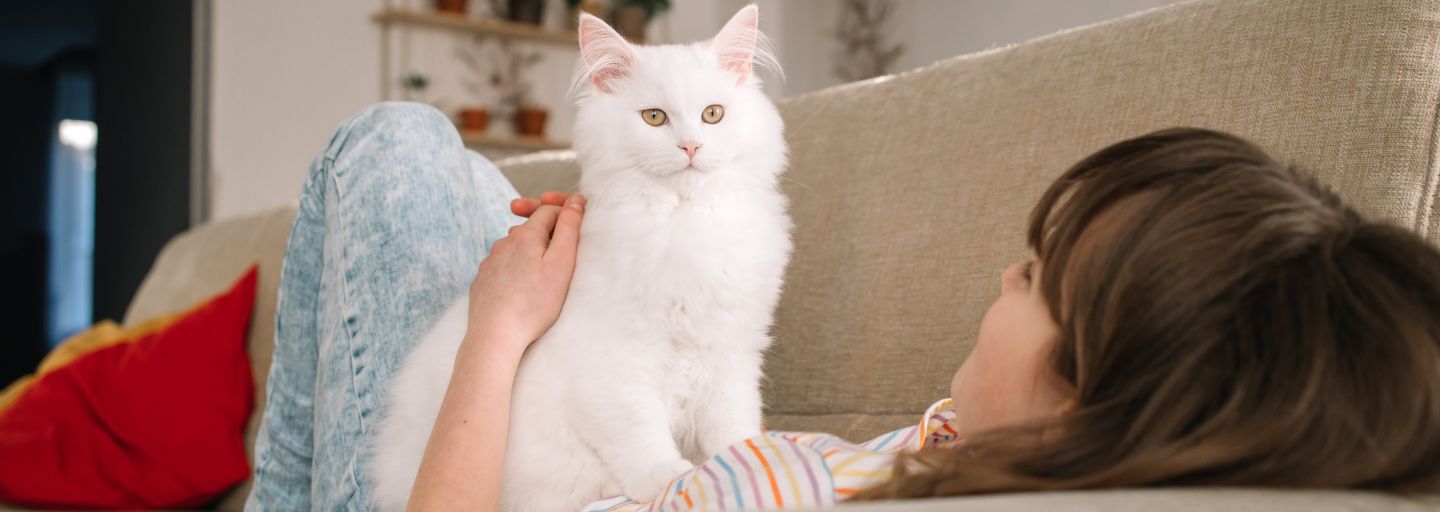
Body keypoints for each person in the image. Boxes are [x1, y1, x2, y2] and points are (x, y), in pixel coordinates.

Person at [246, 102, 1440, 511]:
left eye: (1033, 275)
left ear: (1084, 392)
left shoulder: (811, 491)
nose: (1000, 282)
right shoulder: (957, 450)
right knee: (464, 184)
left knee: (395, 146)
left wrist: (503, 328)